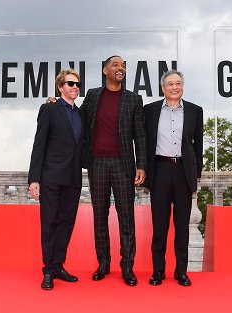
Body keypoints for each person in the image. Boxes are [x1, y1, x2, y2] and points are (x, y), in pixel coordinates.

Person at [81, 55, 147, 286]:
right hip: (96, 163)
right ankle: (103, 264)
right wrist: (56, 104)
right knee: (100, 216)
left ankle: (127, 267)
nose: (120, 68)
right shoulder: (92, 95)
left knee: (126, 217)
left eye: (124, 66)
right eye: (116, 65)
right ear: (105, 70)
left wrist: (141, 165)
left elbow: (140, 134)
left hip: (123, 165)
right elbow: (77, 118)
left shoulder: (133, 99)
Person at [144, 69, 203, 287]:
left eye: (178, 83)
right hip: (159, 171)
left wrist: (196, 175)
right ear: (163, 88)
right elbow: (140, 139)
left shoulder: (196, 111)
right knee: (159, 227)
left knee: (182, 227)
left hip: (183, 173)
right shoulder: (149, 111)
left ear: (183, 86)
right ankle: (158, 271)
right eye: (170, 84)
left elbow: (198, 146)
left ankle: (181, 272)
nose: (174, 87)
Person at [28, 69, 85, 290]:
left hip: (73, 178)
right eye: (70, 84)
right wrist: (34, 178)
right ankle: (48, 270)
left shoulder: (81, 114)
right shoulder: (49, 109)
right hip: (51, 177)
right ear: (60, 87)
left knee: (66, 224)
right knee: (49, 224)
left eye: (77, 84)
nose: (74, 87)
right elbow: (39, 144)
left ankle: (58, 265)